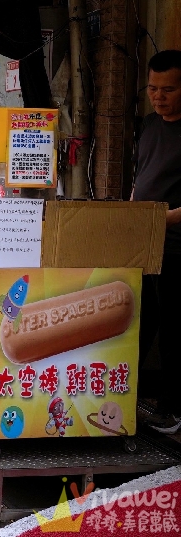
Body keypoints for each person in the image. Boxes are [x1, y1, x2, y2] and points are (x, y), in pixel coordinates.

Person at [135, 50, 181, 433]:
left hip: (178, 246)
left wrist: (164, 218)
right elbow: (140, 179)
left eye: (168, 89)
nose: (159, 96)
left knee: (174, 329)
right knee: (140, 320)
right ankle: (130, 397)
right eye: (153, 88)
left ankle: (172, 410)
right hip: (144, 242)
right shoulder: (149, 125)